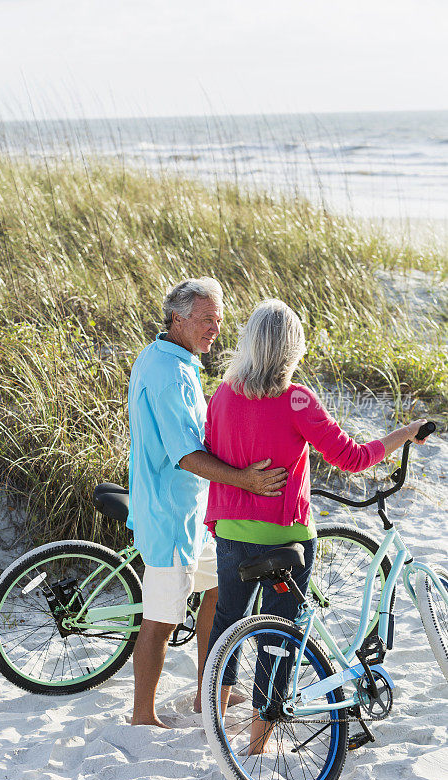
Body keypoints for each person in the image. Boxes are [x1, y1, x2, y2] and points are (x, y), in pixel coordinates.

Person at [204, 298, 429, 754]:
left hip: (229, 529)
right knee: (277, 636)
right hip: (284, 535)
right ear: (291, 347)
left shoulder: (224, 394)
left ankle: (211, 715)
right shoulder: (296, 398)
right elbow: (353, 458)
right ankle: (256, 744)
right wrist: (405, 433)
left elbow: (212, 449)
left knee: (228, 619)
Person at [127, 278, 288, 727]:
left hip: (197, 512)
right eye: (205, 319)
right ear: (178, 318)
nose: (215, 328)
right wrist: (245, 480)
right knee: (160, 619)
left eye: (218, 319)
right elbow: (185, 453)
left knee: (218, 592)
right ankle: (142, 716)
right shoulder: (167, 372)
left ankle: (208, 692)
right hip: (168, 514)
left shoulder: (173, 357)